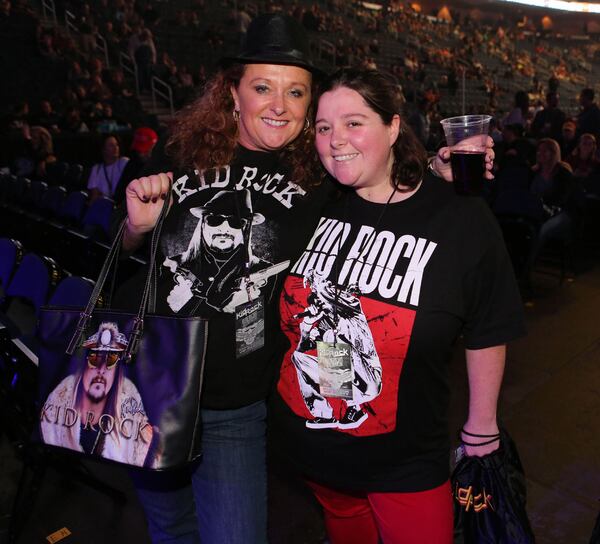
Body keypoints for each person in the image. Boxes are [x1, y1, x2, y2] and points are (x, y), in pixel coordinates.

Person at [119, 15, 492, 544]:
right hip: (152, 384)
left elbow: (375, 178)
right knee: (170, 526)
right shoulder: (178, 155)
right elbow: (131, 248)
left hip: (237, 406)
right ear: (233, 93)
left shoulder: (317, 176)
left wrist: (434, 169)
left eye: (296, 92)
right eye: (263, 87)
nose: (279, 104)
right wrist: (136, 229)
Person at [271, 68, 525, 544]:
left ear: (392, 127)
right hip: (315, 448)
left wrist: (482, 425)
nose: (335, 140)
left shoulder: (458, 214)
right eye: (324, 127)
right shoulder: (313, 201)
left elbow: (490, 323)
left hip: (406, 461)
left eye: (354, 123)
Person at [40, 322, 158, 468]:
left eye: (110, 360)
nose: (101, 370)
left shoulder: (131, 409)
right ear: (84, 364)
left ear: (117, 372)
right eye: (95, 359)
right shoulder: (58, 400)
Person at [87, 134, 129, 201]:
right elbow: (94, 196)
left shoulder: (124, 162)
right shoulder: (96, 169)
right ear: (103, 149)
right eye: (111, 145)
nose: (116, 147)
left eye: (117, 144)